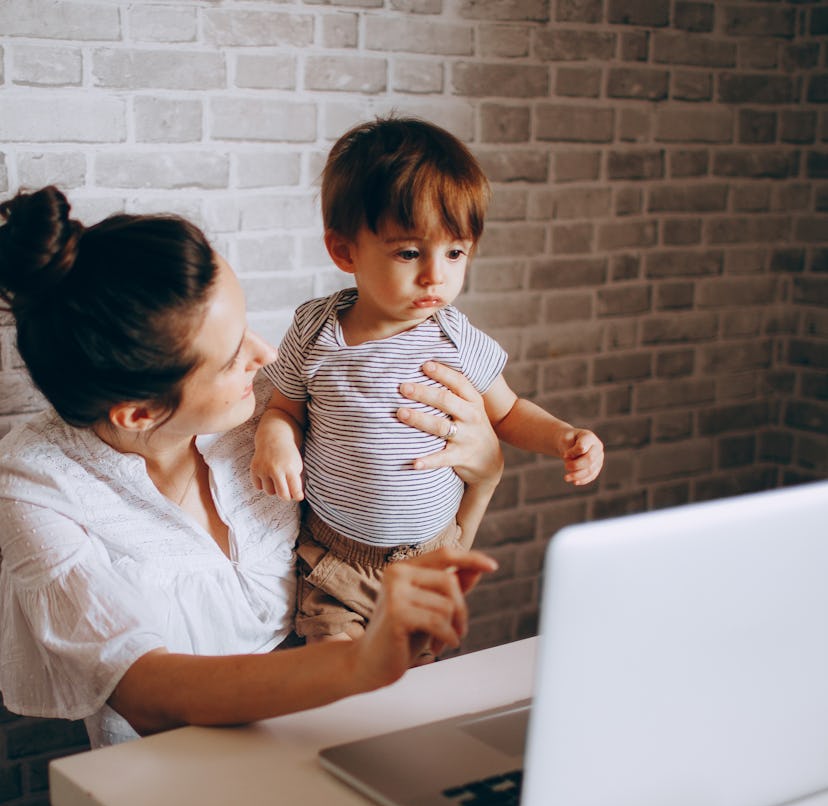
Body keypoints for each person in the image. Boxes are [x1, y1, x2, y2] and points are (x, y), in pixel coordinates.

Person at [0, 185, 501, 748]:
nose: (264, 355)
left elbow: (401, 540)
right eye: (232, 352)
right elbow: (147, 694)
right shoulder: (38, 484)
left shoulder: (270, 414)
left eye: (246, 326)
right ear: (138, 413)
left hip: (339, 737)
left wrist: (484, 478)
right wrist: (357, 664)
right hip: (172, 784)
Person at [251, 116, 604, 642]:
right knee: (333, 686)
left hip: (430, 555)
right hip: (336, 559)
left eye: (455, 252)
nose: (436, 275)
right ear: (345, 250)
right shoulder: (318, 329)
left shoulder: (455, 338)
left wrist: (564, 437)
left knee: (411, 684)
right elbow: (284, 408)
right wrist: (273, 440)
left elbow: (506, 412)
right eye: (410, 252)